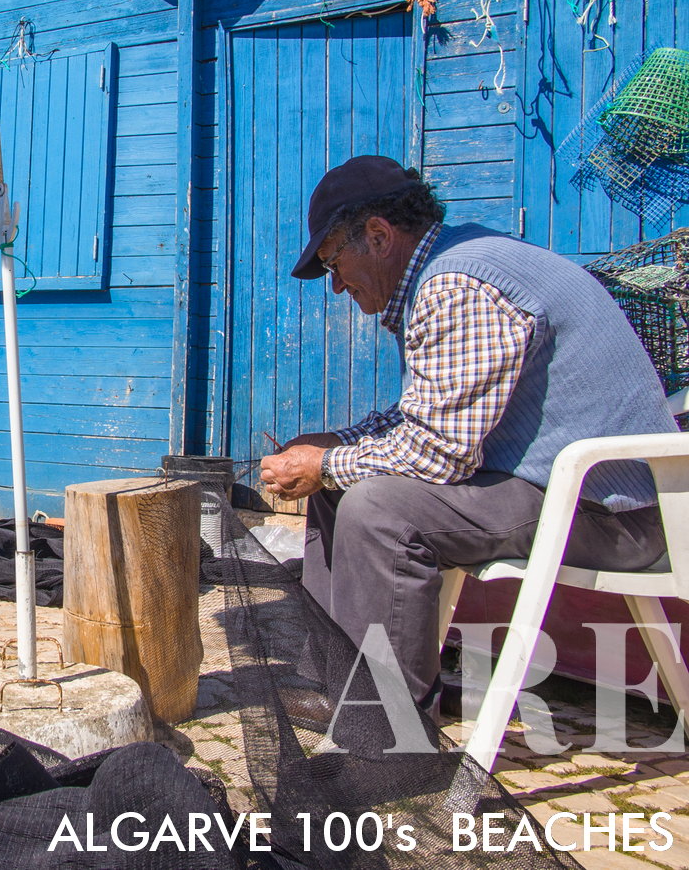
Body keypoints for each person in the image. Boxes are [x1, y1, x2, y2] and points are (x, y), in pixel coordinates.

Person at [259, 155, 676, 718]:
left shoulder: (456, 284)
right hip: (557, 489)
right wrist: (336, 442)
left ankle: (382, 724)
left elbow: (439, 452)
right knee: (337, 488)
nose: (336, 286)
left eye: (334, 261)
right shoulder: (453, 265)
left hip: (613, 515)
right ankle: (340, 684)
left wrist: (325, 464)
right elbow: (436, 413)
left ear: (378, 235)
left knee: (378, 507)